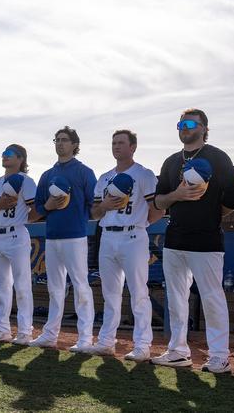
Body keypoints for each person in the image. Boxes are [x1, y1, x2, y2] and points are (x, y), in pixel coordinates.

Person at [151, 109, 234, 373]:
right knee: (176, 298)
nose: (184, 127)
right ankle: (178, 351)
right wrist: (177, 194)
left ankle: (219, 356)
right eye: (180, 124)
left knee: (212, 298)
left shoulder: (217, 157)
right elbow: (158, 201)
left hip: (207, 239)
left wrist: (211, 214)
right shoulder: (170, 162)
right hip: (175, 238)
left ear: (204, 128)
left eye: (190, 124)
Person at [88, 130, 164, 362]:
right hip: (108, 236)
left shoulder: (144, 174)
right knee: (110, 293)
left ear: (133, 147)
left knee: (139, 293)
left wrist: (139, 224)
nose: (116, 146)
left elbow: (158, 209)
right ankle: (106, 342)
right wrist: (107, 206)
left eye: (121, 142)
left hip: (133, 237)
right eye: (113, 143)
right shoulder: (104, 177)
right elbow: (94, 212)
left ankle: (142, 345)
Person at [30, 126, 97, 352]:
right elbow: (37, 209)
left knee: (80, 286)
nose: (60, 143)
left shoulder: (84, 172)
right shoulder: (47, 175)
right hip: (52, 237)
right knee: (55, 288)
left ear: (75, 145)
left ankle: (85, 338)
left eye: (65, 140)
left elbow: (93, 206)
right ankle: (50, 334)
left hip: (75, 237)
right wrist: (47, 206)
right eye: (57, 140)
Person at [0, 144, 38, 344]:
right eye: (3, 154)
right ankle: (2, 328)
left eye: (9, 154)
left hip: (16, 235)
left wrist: (23, 220)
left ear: (20, 159)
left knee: (22, 286)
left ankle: (25, 331)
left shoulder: (26, 181)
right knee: (2, 286)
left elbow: (36, 209)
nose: (4, 157)